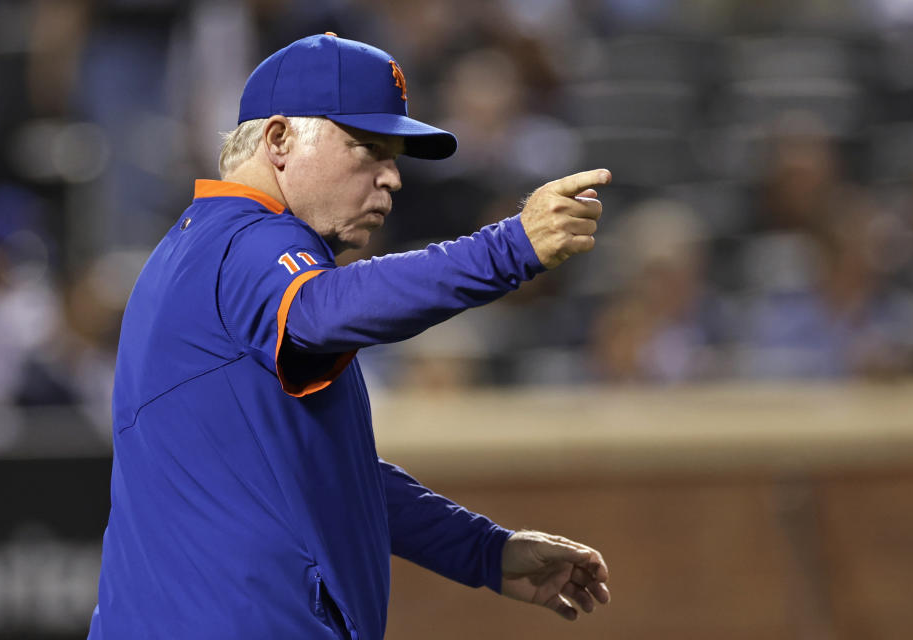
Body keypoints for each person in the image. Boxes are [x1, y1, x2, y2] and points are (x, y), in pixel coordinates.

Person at [88, 33, 611, 639]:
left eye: (394, 156)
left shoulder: (202, 248)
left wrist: (482, 551)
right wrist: (509, 247)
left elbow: (329, 473)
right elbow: (320, 310)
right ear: (280, 140)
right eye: (366, 148)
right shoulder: (246, 240)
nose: (391, 177)